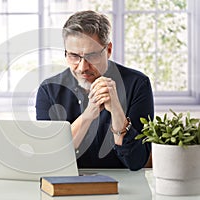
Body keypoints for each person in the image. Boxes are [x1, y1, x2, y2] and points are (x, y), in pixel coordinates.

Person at [35, 10, 154, 171]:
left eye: (91, 56)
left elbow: (137, 162)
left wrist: (117, 113)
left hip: (123, 188)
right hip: (66, 187)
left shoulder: (138, 84)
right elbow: (50, 159)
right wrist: (89, 114)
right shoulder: (49, 90)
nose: (83, 67)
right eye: (74, 56)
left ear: (109, 50)